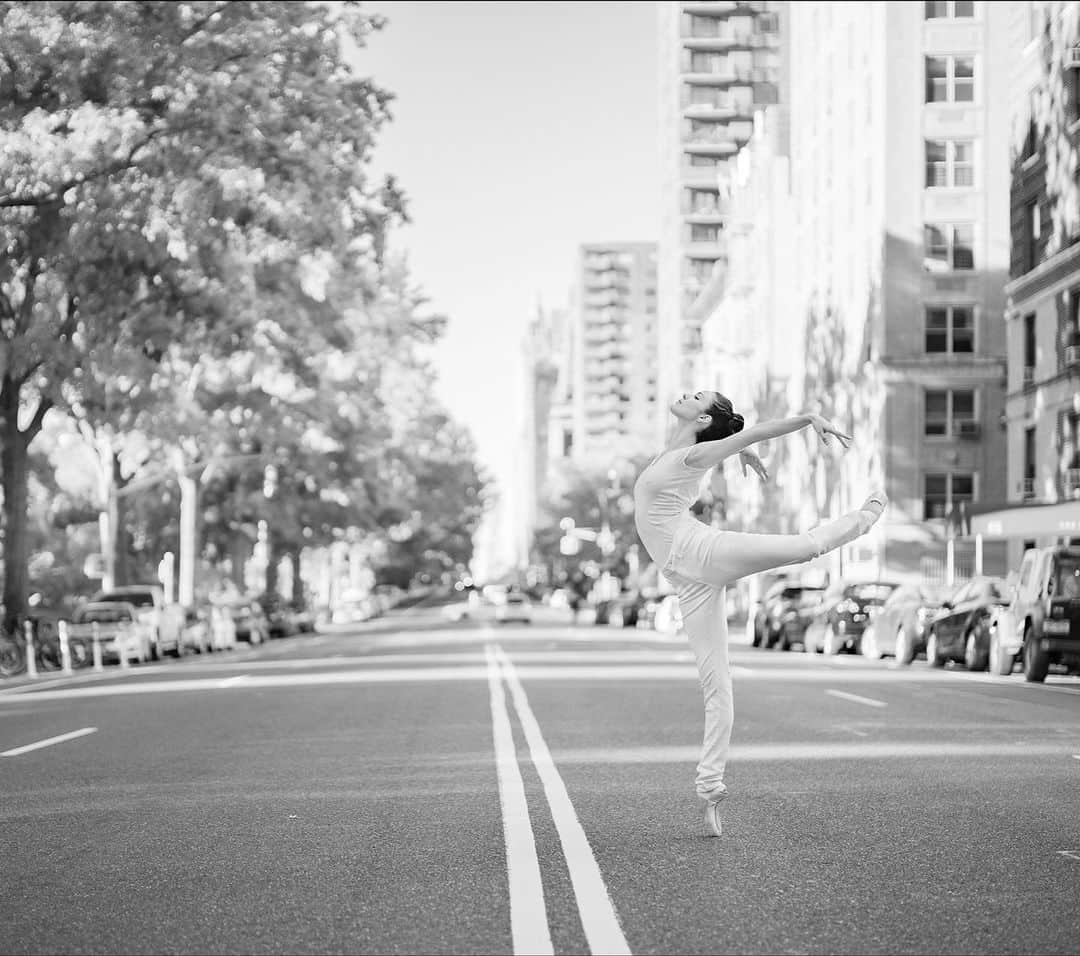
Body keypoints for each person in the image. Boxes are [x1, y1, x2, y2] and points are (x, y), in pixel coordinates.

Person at [633, 391, 887, 837]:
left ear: (702, 416)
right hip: (686, 578)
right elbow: (727, 444)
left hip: (701, 550)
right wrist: (739, 447)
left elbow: (757, 430)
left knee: (802, 547)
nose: (685, 394)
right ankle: (710, 789)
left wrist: (808, 419)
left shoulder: (693, 453)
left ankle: (864, 518)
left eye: (696, 396)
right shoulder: (678, 451)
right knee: (717, 685)